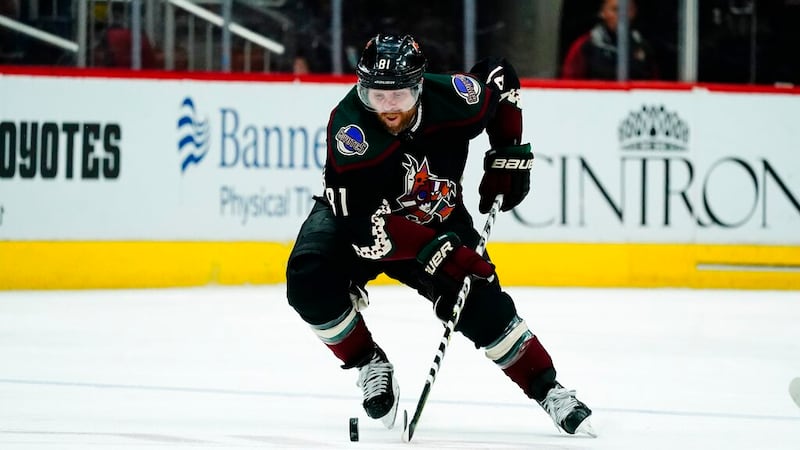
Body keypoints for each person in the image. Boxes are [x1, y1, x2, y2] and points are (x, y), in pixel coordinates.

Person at [286, 34, 595, 436]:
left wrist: (507, 150)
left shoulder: (454, 98)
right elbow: (363, 230)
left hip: (438, 220)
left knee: (483, 306)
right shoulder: (350, 131)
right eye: (377, 96)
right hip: (356, 220)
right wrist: (438, 251)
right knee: (308, 279)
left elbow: (499, 75)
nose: (388, 108)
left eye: (398, 96)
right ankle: (368, 363)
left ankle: (549, 389)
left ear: (418, 87)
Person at [561, 0, 658, 80]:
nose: (622, 15)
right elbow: (569, 84)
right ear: (602, 12)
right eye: (615, 10)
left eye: (628, 10)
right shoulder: (586, 45)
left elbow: (654, 84)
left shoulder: (643, 46)